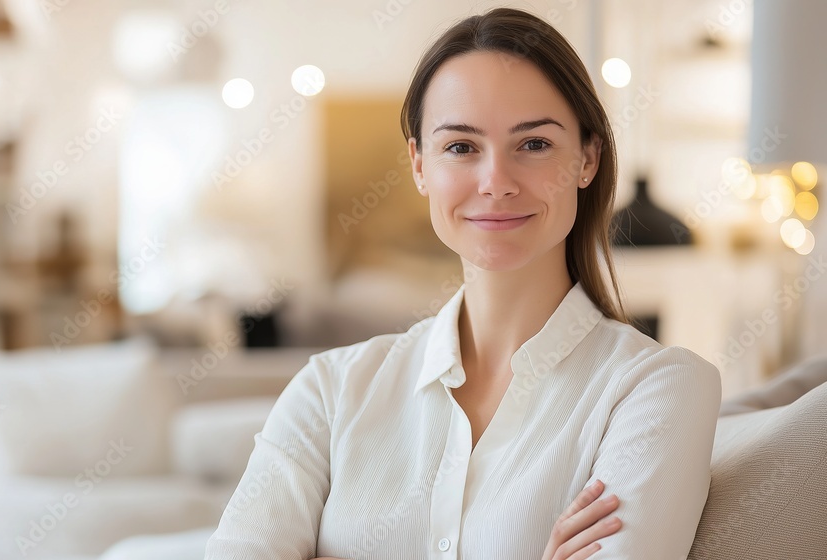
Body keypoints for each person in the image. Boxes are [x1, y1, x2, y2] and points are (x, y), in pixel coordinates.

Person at [204, 7, 720, 560]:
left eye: (534, 144)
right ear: (420, 164)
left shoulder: (655, 391)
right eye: (461, 147)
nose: (495, 182)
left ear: (588, 158)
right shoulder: (329, 392)